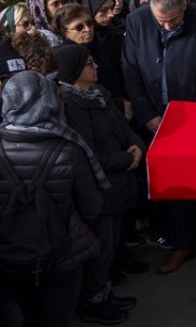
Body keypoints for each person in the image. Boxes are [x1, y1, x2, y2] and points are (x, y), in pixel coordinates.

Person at [0, 72, 106, 327]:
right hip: (63, 251)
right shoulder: (69, 147)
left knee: (27, 314)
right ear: (49, 101)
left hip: (8, 250)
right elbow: (92, 207)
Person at [120, 0, 196, 275]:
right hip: (157, 119)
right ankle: (181, 245)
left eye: (174, 20)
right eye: (161, 21)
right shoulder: (137, 21)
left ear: (185, 8)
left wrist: (193, 114)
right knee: (175, 183)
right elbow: (130, 70)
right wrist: (147, 115)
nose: (167, 26)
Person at [54, 45, 143, 324]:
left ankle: (104, 292)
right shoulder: (70, 104)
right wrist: (125, 159)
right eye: (90, 63)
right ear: (74, 71)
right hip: (100, 187)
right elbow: (88, 151)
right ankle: (94, 300)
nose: (97, 67)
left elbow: (123, 127)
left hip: (119, 182)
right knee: (100, 248)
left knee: (112, 243)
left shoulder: (100, 94)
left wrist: (136, 145)